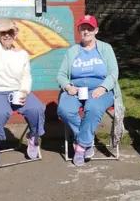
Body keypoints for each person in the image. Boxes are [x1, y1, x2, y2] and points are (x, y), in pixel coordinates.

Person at [0, 19, 45, 169]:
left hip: (16, 91)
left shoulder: (22, 54)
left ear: (16, 34)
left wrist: (25, 90)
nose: (7, 35)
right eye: (3, 32)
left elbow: (26, 76)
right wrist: (3, 26)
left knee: (37, 108)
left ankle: (33, 137)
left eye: (10, 32)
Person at [57, 15, 125, 166]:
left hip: (100, 89)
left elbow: (114, 73)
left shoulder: (106, 48)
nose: (86, 31)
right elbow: (61, 75)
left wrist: (103, 87)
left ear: (96, 30)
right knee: (64, 110)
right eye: (83, 28)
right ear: (79, 31)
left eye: (89, 28)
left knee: (92, 107)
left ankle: (81, 147)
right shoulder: (72, 51)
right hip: (76, 89)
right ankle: (86, 139)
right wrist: (68, 87)